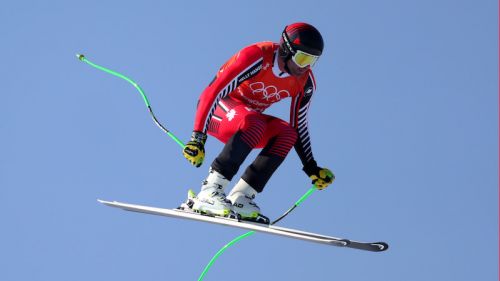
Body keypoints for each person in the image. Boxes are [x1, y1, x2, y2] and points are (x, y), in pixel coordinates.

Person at [182, 22, 334, 223]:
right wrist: (197, 137)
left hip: (248, 126)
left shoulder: (304, 82)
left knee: (288, 133)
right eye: (302, 58)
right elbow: (213, 91)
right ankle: (209, 191)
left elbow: (299, 125)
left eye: (312, 61)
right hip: (219, 112)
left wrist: (311, 167)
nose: (305, 66)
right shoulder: (257, 56)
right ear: (287, 49)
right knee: (254, 120)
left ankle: (241, 196)